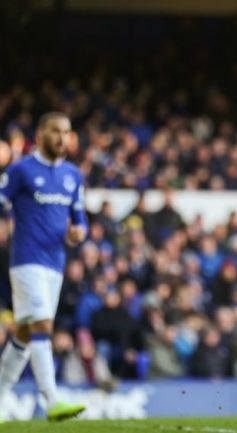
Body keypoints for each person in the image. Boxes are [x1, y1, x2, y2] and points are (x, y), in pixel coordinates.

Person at [0, 112, 89, 422]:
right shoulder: (21, 170)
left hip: (56, 264)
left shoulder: (73, 175)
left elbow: (80, 220)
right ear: (39, 135)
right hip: (26, 260)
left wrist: (80, 233)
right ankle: (51, 399)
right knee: (42, 325)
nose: (61, 138)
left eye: (66, 132)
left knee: (24, 334)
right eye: (55, 131)